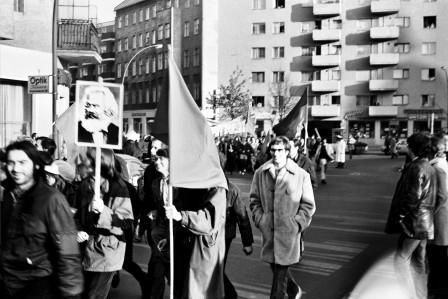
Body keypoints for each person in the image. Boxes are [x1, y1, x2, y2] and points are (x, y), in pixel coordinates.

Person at [0, 140, 83, 299]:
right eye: (11, 163)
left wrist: (71, 290)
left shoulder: (51, 199)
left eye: (22, 162)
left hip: (37, 284)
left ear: (36, 165)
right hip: (7, 282)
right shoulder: (6, 195)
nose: (16, 168)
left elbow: (68, 247)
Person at [250, 136, 316, 299]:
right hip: (269, 232)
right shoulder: (260, 173)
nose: (276, 153)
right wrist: (261, 219)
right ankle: (293, 290)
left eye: (280, 150)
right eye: (273, 150)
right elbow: (254, 200)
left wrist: (297, 224)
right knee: (276, 266)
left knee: (278, 280)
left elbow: (308, 205)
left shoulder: (300, 175)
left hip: (288, 233)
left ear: (287, 151)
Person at [74, 148, 133, 299]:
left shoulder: (118, 187)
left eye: (87, 160)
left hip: (107, 250)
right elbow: (75, 214)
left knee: (94, 296)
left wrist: (104, 211)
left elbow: (126, 222)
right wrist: (77, 230)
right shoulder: (84, 185)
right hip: (85, 251)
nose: (83, 163)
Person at [384, 133, 436, 299]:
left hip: (414, 222)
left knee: (400, 260)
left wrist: (400, 217)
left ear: (412, 147)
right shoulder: (428, 166)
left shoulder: (416, 168)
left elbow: (412, 197)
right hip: (426, 223)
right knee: (419, 263)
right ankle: (421, 295)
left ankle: (407, 295)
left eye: (407, 144)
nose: (405, 147)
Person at [165, 186, 227, 299]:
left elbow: (208, 220)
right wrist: (169, 238)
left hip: (201, 250)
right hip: (183, 246)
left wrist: (180, 216)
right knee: (181, 290)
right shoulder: (188, 180)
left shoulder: (217, 187)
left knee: (196, 292)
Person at [223, 176, 254, 299]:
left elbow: (243, 217)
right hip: (209, 235)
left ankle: (230, 294)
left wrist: (247, 243)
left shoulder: (232, 190)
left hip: (225, 235)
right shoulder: (205, 186)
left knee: (217, 269)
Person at [427, 135, 448, 298]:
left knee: (437, 252)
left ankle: (437, 288)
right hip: (443, 213)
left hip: (440, 215)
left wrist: (430, 213)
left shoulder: (438, 166)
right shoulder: (443, 163)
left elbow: (442, 195)